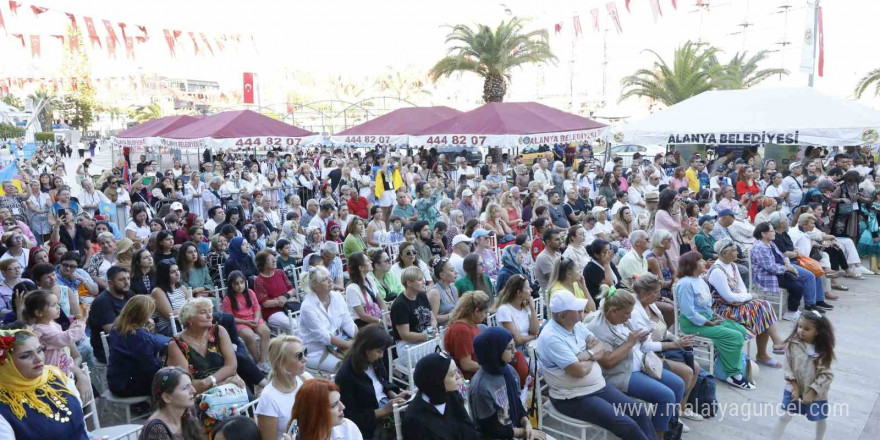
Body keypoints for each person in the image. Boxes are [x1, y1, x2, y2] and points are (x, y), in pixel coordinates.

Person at [536, 290, 656, 440]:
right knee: (628, 425)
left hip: (598, 387)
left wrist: (587, 355)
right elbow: (579, 371)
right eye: (577, 310)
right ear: (562, 316)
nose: (582, 312)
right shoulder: (551, 338)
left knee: (639, 412)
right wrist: (593, 357)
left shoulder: (575, 325)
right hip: (573, 398)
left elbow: (599, 346)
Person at [587, 287, 685, 439]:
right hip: (622, 374)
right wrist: (630, 343)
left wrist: (641, 338)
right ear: (612, 311)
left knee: (678, 384)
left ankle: (666, 428)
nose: (629, 316)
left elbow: (634, 341)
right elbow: (608, 363)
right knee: (666, 396)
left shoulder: (622, 321)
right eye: (626, 313)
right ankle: (658, 436)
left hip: (641, 364)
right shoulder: (597, 328)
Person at [628, 274, 703, 422]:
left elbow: (662, 330)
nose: (659, 295)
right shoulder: (634, 312)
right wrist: (675, 344)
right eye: (655, 292)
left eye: (659, 291)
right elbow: (645, 345)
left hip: (663, 349)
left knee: (696, 367)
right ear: (643, 292)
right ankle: (672, 415)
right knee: (687, 372)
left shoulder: (651, 305)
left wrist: (678, 339)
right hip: (649, 355)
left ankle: (680, 408)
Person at [675, 251, 753, 390]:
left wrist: (714, 315)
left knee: (740, 330)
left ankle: (724, 365)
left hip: (708, 319)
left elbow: (705, 305)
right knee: (733, 336)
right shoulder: (685, 284)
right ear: (691, 264)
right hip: (693, 324)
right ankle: (735, 375)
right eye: (700, 260)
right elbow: (688, 312)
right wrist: (708, 322)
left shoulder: (700, 280)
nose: (704, 262)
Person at [708, 239, 786, 367]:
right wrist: (748, 297)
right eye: (733, 250)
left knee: (762, 308)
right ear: (723, 253)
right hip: (722, 310)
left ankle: (766, 351)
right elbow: (728, 297)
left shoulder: (732, 265)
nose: (737, 252)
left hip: (735, 305)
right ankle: (771, 347)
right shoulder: (717, 271)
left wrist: (744, 298)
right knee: (762, 307)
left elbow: (741, 288)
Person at [0, 329, 90, 440]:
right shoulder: (4, 405)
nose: (38, 359)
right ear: (6, 363)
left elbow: (81, 426)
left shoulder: (54, 375)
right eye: (25, 356)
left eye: (39, 350)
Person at [470, 327, 550, 440]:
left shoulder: (508, 370)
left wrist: (526, 423)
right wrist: (522, 432)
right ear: (494, 352)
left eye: (514, 346)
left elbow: (517, 403)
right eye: (509, 348)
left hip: (515, 429)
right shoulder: (481, 387)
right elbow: (489, 430)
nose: (515, 351)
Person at [335, 324, 412, 440]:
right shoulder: (346, 375)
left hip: (385, 405)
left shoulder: (374, 360)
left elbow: (383, 383)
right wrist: (385, 410)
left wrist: (395, 397)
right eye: (378, 351)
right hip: (370, 423)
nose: (381, 355)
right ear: (365, 348)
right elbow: (352, 418)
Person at [770, 311, 835, 440]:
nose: (801, 331)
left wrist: (812, 392)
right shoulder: (792, 344)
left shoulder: (822, 350)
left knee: (820, 418)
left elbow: (826, 375)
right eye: (799, 327)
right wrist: (796, 387)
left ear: (817, 331)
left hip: (816, 393)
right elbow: (788, 367)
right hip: (794, 389)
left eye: (807, 329)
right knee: (785, 416)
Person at [166, 298, 247, 394]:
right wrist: (219, 384)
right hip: (198, 395)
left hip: (228, 383)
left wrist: (210, 381)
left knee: (246, 395)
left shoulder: (219, 331)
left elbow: (231, 366)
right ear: (189, 319)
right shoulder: (176, 344)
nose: (209, 316)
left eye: (210, 311)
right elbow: (187, 383)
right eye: (203, 312)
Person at [401, 352, 481, 440]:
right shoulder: (414, 419)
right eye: (453, 374)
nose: (458, 377)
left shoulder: (452, 395)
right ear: (437, 381)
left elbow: (467, 427)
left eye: (456, 371)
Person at [107, 295, 172, 397]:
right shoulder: (140, 337)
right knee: (172, 380)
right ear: (144, 316)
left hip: (115, 381)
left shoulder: (117, 327)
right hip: (127, 386)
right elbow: (152, 368)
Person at [299, 266, 358, 372]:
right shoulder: (307, 306)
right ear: (316, 287)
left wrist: (359, 339)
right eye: (324, 279)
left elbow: (348, 322)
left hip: (338, 343)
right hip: (317, 350)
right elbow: (324, 336)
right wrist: (350, 345)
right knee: (348, 365)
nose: (330, 280)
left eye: (329, 277)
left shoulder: (337, 297)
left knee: (365, 353)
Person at [750, 222, 812, 320]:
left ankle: (793, 309)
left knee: (799, 280)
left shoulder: (771, 244)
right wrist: (788, 268)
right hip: (766, 276)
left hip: (779, 271)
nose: (774, 233)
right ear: (763, 234)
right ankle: (791, 313)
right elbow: (771, 268)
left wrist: (787, 263)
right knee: (797, 286)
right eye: (771, 231)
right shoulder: (759, 248)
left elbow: (783, 256)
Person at [255, 335, 313, 440]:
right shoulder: (269, 399)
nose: (305, 358)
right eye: (299, 356)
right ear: (281, 363)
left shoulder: (304, 379)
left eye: (305, 352)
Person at [222, 270, 271, 368]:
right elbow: (230, 318)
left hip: (253, 318)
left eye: (242, 282)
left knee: (266, 331)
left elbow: (256, 307)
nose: (240, 286)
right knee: (250, 336)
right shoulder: (227, 299)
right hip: (240, 322)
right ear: (231, 285)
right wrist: (246, 322)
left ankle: (263, 361)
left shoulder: (250, 292)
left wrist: (256, 318)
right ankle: (257, 362)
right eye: (236, 284)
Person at [139, 366, 203, 440]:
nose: (194, 390)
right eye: (185, 388)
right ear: (167, 397)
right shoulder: (157, 429)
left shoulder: (188, 412)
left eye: (191, 385)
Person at [88, 266, 135, 364]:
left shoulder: (128, 294)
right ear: (110, 283)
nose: (127, 282)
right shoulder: (102, 302)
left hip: (131, 340)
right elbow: (114, 330)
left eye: (128, 278)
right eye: (121, 279)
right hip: (111, 349)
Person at [290, 378, 364, 440]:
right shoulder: (294, 432)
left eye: (339, 400)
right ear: (315, 412)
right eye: (334, 405)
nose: (343, 407)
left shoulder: (348, 427)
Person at [443, 290, 493, 381]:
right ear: (476, 311)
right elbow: (467, 365)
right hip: (470, 379)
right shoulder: (461, 330)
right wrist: (492, 367)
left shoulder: (471, 324)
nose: (485, 316)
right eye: (484, 312)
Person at [254, 249, 299, 333]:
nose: (274, 260)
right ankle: (299, 345)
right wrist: (285, 300)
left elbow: (292, 289)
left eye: (274, 258)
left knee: (303, 320)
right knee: (294, 324)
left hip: (289, 307)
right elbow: (266, 303)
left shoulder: (280, 272)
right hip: (272, 312)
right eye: (269, 259)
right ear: (262, 263)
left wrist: (285, 296)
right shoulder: (259, 280)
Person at [493, 274, 540, 351]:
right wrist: (533, 337)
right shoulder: (504, 310)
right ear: (519, 293)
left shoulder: (524, 306)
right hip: (516, 350)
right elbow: (516, 340)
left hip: (529, 345)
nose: (531, 290)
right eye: (528, 287)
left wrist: (532, 308)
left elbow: (535, 331)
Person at [151, 260, 192, 336]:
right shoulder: (158, 291)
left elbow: (193, 305)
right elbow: (170, 315)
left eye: (177, 270)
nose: (177, 273)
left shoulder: (182, 287)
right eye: (173, 272)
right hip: (170, 327)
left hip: (184, 322)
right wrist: (190, 310)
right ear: (164, 275)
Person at [345, 252, 386, 327]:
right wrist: (381, 321)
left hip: (376, 318)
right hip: (363, 324)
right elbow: (362, 316)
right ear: (361, 268)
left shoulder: (369, 278)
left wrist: (386, 316)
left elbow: (380, 301)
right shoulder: (351, 289)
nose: (371, 262)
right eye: (367, 261)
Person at [426, 257, 459, 326]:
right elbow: (433, 318)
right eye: (452, 270)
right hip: (442, 332)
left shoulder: (454, 288)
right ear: (442, 275)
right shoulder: (435, 293)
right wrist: (451, 315)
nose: (456, 272)